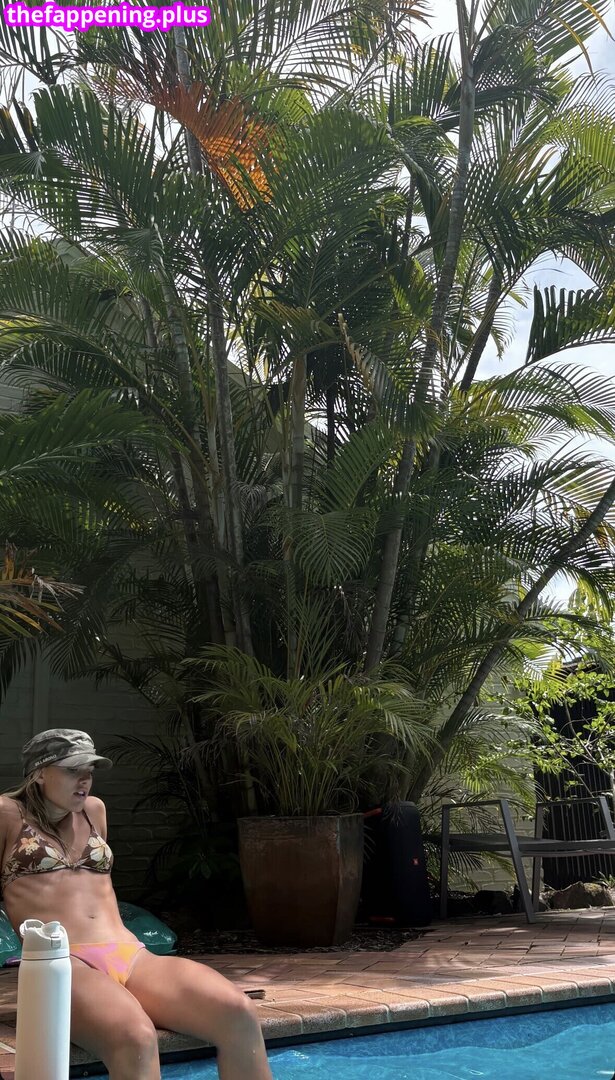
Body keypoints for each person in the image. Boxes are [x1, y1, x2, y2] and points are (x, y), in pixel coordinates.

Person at [0, 728, 273, 1080]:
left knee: (239, 1013)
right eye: (72, 770)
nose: (84, 780)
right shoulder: (8, 814)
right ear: (39, 772)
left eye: (89, 771)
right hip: (61, 963)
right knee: (136, 1038)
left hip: (129, 954)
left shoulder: (93, 810)